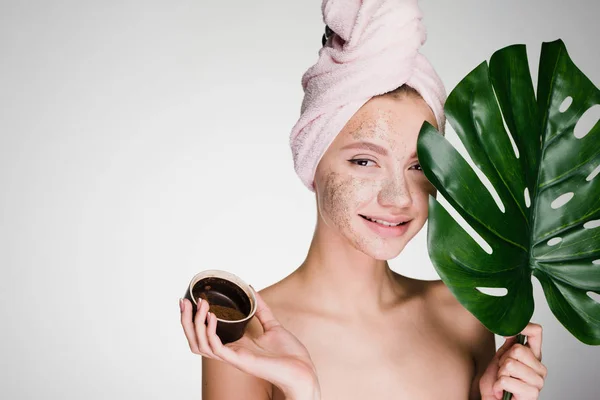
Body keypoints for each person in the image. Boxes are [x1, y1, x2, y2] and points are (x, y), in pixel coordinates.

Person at [180, 1, 548, 399]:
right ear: (312, 160)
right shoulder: (245, 336)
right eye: (364, 160)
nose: (399, 197)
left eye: (419, 165)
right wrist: (303, 389)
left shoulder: (462, 316)